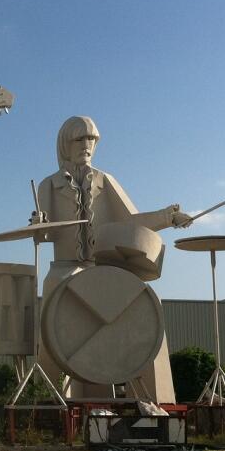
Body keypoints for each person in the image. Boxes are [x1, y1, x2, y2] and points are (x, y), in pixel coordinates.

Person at [34, 115, 190, 402]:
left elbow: (132, 220)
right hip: (65, 267)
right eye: (79, 139)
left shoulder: (105, 181)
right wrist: (38, 226)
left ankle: (156, 399)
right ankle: (50, 397)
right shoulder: (48, 185)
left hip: (102, 267)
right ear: (65, 144)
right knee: (54, 290)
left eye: (91, 139)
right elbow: (44, 234)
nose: (86, 145)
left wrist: (168, 217)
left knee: (146, 302)